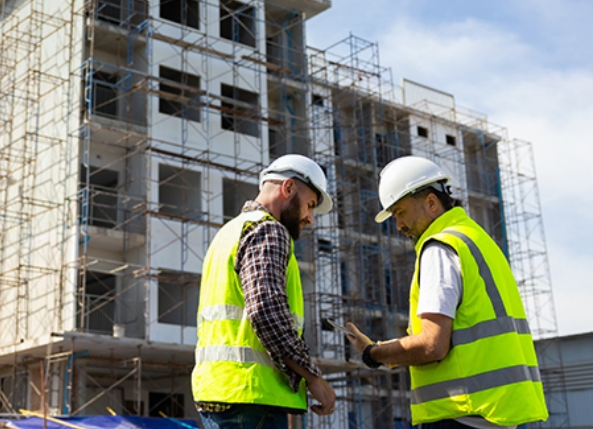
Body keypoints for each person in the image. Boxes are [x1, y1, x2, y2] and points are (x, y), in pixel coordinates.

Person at [345, 156, 549, 429]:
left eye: (400, 212)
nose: (398, 225)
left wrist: (372, 353)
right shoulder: (477, 239)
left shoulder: (440, 248)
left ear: (431, 203)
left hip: (462, 414)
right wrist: (386, 349)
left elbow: (432, 344)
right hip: (496, 413)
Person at [192, 154, 337, 429]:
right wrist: (313, 377)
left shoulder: (228, 232)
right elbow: (266, 310)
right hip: (251, 398)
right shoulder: (268, 230)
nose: (310, 218)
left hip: (221, 394)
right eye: (309, 205)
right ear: (288, 188)